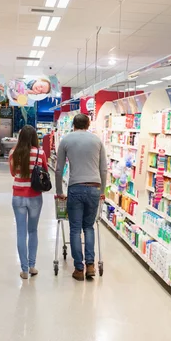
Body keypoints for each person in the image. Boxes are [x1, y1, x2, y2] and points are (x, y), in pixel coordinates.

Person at [56, 113, 107, 281]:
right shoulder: (97, 141)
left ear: (73, 124)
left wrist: (59, 191)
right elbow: (104, 169)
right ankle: (90, 265)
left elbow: (58, 168)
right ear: (88, 124)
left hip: (75, 187)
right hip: (94, 188)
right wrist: (102, 191)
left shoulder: (66, 140)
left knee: (75, 229)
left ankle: (79, 268)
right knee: (89, 227)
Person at [9, 125, 48, 279]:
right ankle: (32, 266)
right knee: (33, 231)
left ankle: (24, 270)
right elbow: (44, 170)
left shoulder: (14, 152)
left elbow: (13, 173)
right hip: (35, 196)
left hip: (18, 196)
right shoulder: (40, 152)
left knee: (21, 232)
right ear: (34, 138)